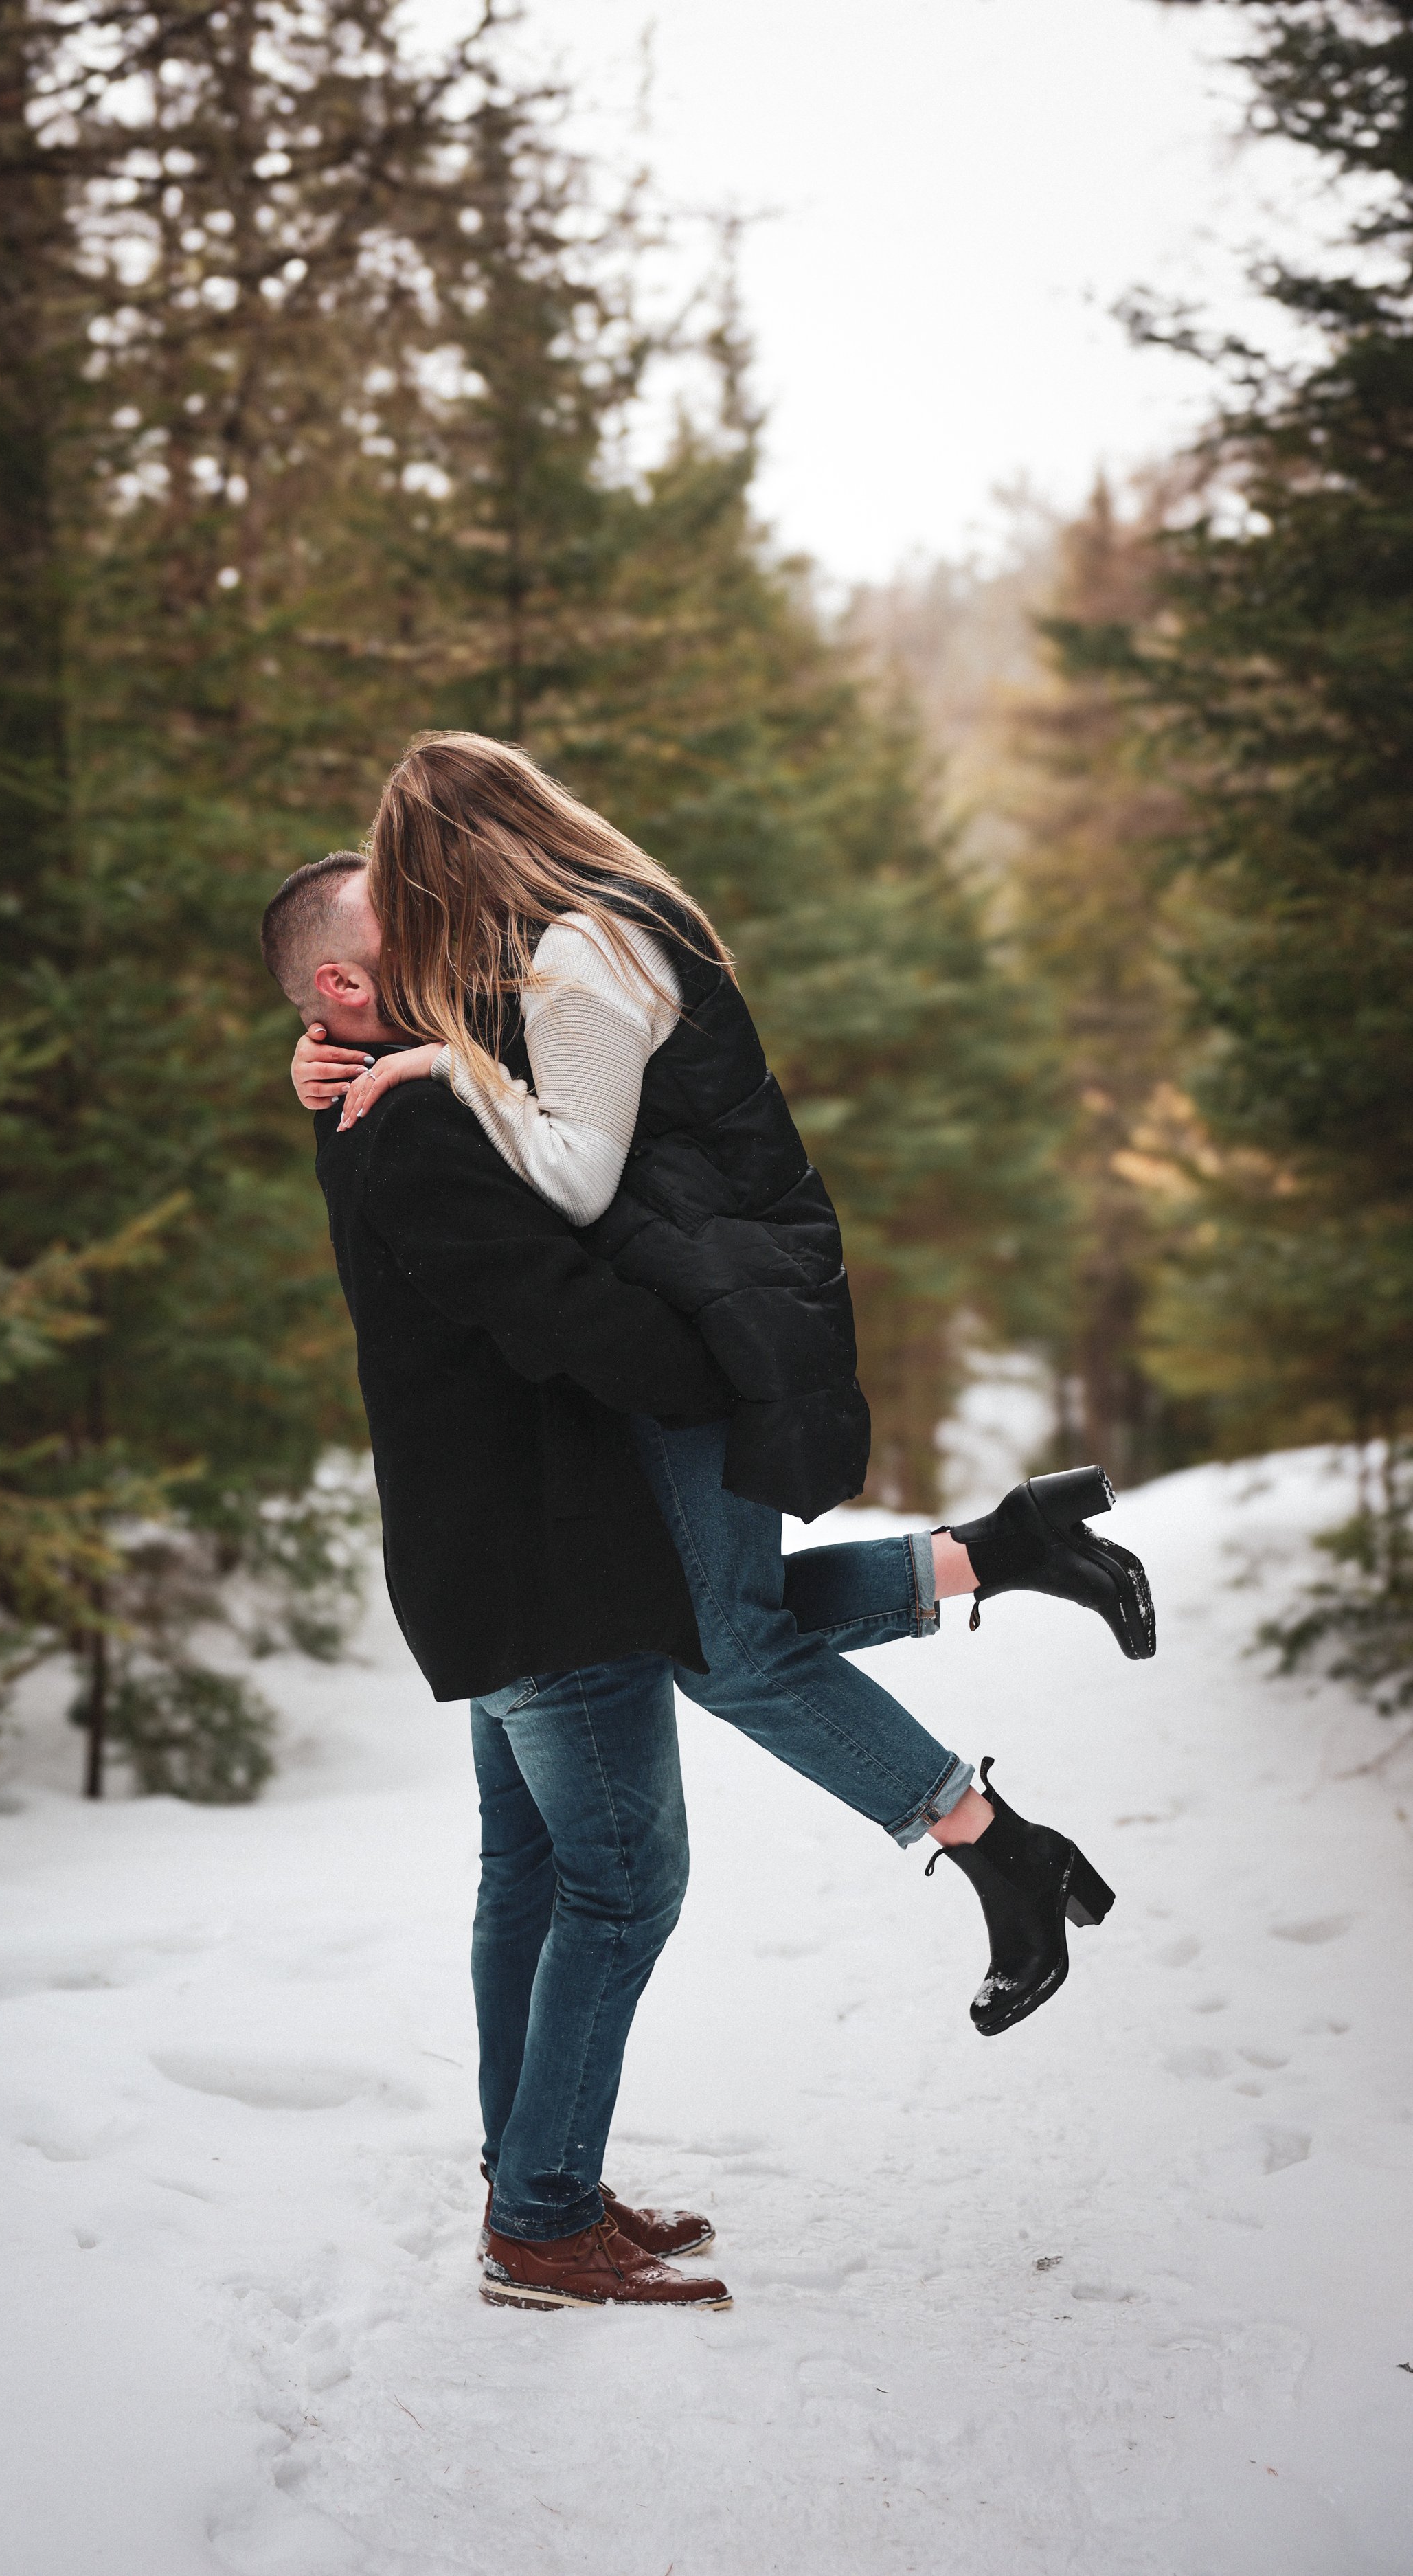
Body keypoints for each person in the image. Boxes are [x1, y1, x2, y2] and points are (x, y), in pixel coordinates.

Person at [260, 739, 1153, 2312]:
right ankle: (540, 2223)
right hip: (540, 1560)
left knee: (538, 1865)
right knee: (626, 1876)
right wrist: (712, 1375)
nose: (442, 931)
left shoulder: (430, 1069)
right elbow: (552, 1300)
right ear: (345, 986)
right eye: (402, 922)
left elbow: (532, 1143)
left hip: (503, 1551)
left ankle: (533, 2180)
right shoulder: (413, 1113)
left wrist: (384, 1051)